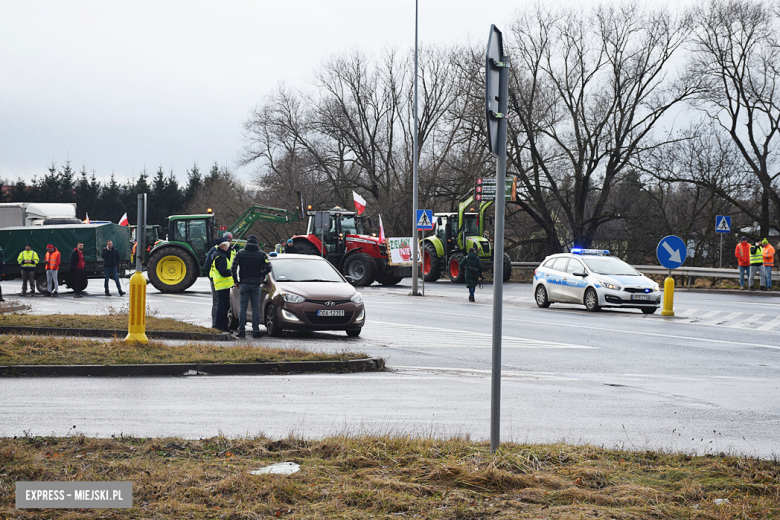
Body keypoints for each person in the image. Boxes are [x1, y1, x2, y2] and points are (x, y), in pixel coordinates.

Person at [232, 234, 271, 338]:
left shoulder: (240, 253)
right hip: (256, 284)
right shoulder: (262, 254)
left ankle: (241, 331)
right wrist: (261, 274)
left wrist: (236, 281)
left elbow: (233, 267)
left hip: (244, 283)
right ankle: (256, 331)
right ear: (256, 243)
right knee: (255, 308)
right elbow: (269, 267)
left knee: (242, 308)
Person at [204, 232, 234, 328]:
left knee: (224, 304)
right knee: (218, 303)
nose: (229, 243)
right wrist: (211, 277)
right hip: (219, 281)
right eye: (228, 241)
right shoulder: (216, 252)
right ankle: (216, 324)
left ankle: (224, 324)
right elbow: (209, 265)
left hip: (226, 282)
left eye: (230, 241)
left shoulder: (231, 251)